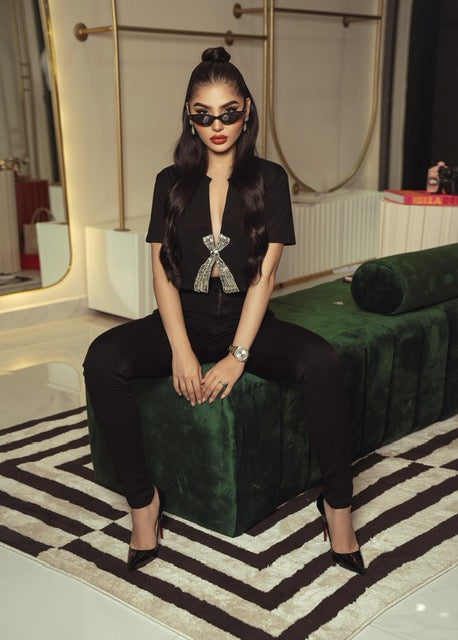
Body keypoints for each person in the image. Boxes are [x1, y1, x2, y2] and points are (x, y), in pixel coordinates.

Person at [83, 47, 365, 574]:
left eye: (229, 113)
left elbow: (264, 277)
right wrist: (181, 351)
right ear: (189, 116)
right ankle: (143, 504)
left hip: (245, 318)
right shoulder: (170, 182)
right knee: (102, 358)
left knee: (323, 362)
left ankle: (338, 507)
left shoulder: (270, 180)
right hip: (185, 317)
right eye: (204, 115)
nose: (217, 126)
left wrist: (237, 355)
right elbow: (163, 274)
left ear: (247, 110)